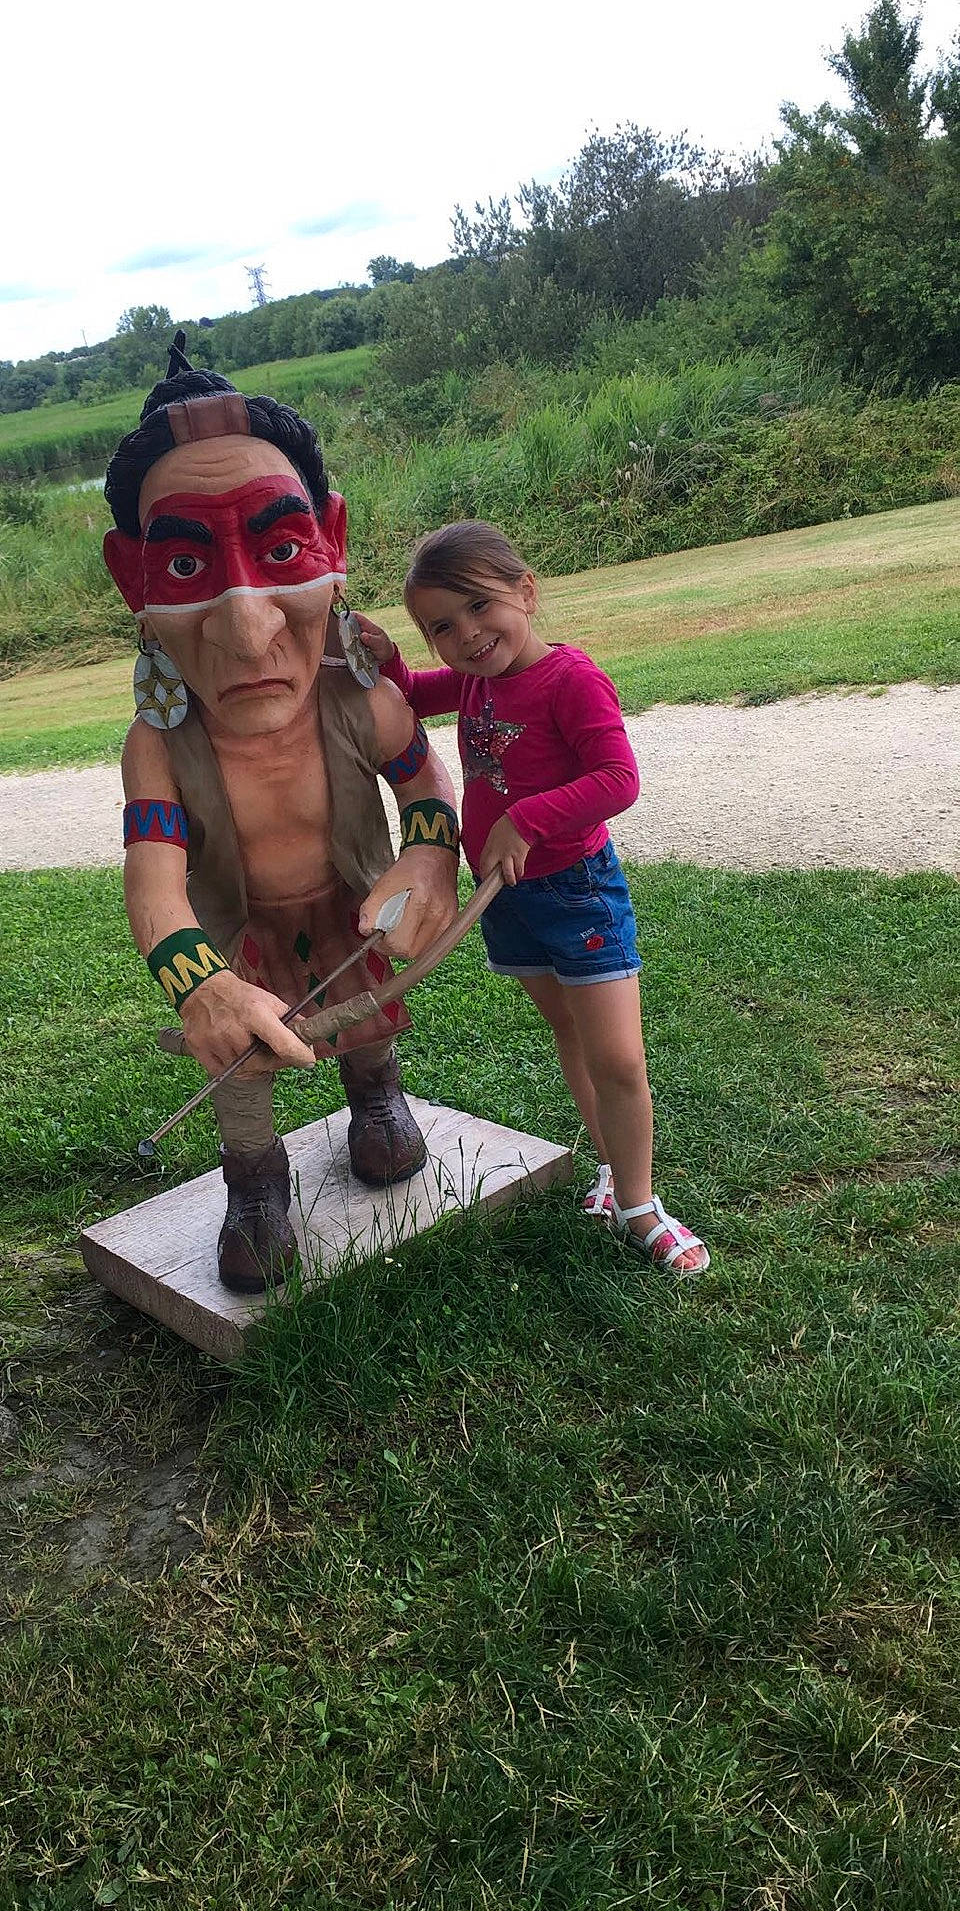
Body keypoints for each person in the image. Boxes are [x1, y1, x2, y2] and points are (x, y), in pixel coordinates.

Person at [102, 340, 462, 1293]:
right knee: (243, 1069)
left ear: (332, 542)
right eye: (184, 563)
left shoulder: (364, 696)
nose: (250, 627)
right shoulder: (160, 747)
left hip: (349, 902)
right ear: (132, 581)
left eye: (281, 549)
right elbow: (154, 881)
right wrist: (202, 988)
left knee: (366, 1016)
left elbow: (423, 788)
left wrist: (427, 863)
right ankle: (255, 1182)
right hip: (238, 933)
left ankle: (376, 1096)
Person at [357, 519, 709, 1274]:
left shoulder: (570, 678)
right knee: (572, 1036)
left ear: (525, 589)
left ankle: (641, 1207)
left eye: (481, 607)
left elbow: (619, 779)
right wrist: (388, 659)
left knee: (618, 1058)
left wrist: (525, 818)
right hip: (505, 899)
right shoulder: (480, 681)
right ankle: (616, 1175)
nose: (469, 636)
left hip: (575, 894)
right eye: (441, 627)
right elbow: (414, 696)